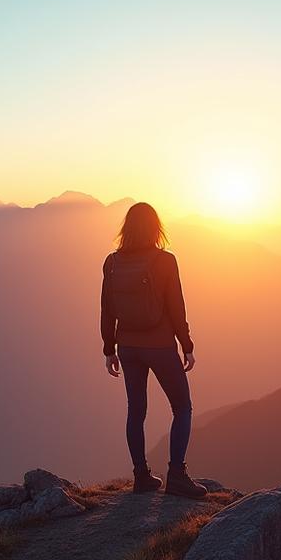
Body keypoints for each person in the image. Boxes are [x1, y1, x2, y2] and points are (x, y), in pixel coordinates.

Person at [100, 202, 207, 498]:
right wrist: (187, 345)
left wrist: (109, 348)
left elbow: (106, 309)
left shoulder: (112, 262)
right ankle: (177, 476)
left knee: (136, 411)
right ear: (155, 228)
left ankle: (141, 476)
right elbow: (176, 307)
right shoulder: (165, 261)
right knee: (182, 407)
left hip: (128, 348)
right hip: (159, 346)